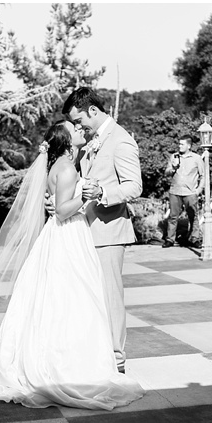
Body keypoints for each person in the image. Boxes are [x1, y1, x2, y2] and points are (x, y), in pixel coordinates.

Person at [0, 120, 145, 410]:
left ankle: (59, 356)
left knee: (58, 297)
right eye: (74, 129)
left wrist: (68, 200)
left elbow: (57, 203)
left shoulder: (59, 165)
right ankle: (68, 365)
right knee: (74, 296)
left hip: (62, 234)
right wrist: (85, 197)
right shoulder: (67, 169)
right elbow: (62, 211)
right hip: (68, 233)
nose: (79, 130)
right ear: (65, 140)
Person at [59, 87, 142, 375]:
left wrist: (104, 192)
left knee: (110, 297)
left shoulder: (121, 140)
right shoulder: (90, 141)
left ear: (93, 110)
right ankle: (95, 355)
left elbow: (134, 186)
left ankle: (117, 361)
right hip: (85, 229)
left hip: (109, 232)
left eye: (79, 120)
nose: (78, 127)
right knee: (89, 297)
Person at [163, 134, 204, 248]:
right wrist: (173, 168)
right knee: (173, 216)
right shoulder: (174, 157)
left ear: (189, 146)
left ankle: (194, 239)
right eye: (179, 144)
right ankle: (170, 239)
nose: (179, 146)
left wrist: (199, 190)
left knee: (193, 216)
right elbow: (166, 172)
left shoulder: (196, 158)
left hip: (190, 192)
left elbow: (203, 175)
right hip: (175, 191)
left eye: (182, 144)